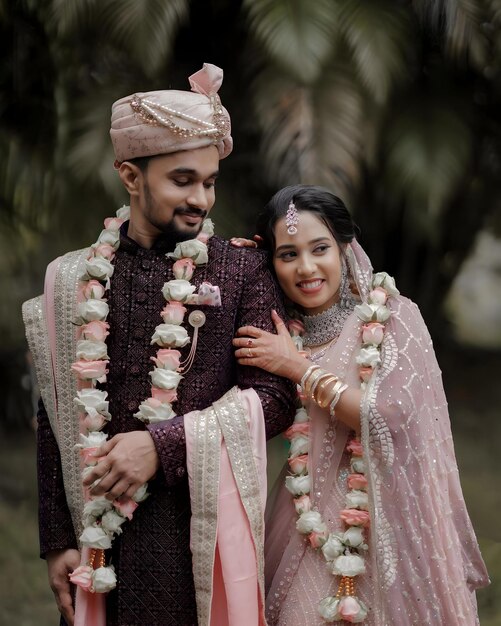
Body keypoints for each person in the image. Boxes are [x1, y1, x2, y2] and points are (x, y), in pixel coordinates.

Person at [22, 63, 295, 626]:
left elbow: (273, 398)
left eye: (211, 181)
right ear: (130, 175)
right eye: (183, 180)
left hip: (196, 535)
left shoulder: (242, 270)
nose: (202, 198)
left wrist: (162, 445)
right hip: (98, 539)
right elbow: (54, 415)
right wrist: (56, 539)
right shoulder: (74, 280)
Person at [232, 184, 489, 625]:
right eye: (288, 255)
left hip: (386, 528)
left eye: (320, 249)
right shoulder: (281, 332)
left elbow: (388, 417)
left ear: (346, 248)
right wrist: (237, 263)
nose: (307, 268)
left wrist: (298, 369)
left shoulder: (392, 317)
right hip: (306, 530)